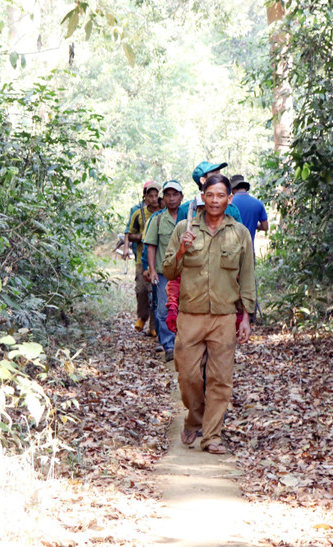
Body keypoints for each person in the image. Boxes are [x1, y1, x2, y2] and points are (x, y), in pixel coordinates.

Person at [162, 173, 255, 455]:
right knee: (188, 376)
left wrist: (247, 317)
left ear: (229, 199)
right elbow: (168, 271)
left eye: (220, 196)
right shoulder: (183, 228)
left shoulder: (239, 233)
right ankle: (195, 418)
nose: (215, 200)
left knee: (220, 379)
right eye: (210, 195)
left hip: (224, 317)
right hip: (190, 315)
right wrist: (181, 250)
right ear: (202, 197)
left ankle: (212, 436)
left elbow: (248, 276)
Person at [143, 180, 183, 362]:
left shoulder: (190, 218)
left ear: (182, 197)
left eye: (175, 194)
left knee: (185, 308)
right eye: (168, 195)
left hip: (187, 272)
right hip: (164, 272)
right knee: (163, 309)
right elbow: (151, 246)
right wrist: (151, 270)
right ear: (163, 199)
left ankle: (184, 343)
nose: (172, 198)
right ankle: (169, 345)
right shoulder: (157, 219)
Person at [127, 180, 161, 335]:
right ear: (145, 197)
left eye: (156, 196)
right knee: (141, 289)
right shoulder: (137, 213)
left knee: (158, 292)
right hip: (142, 257)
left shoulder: (165, 211)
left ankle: (154, 326)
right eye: (150, 196)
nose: (154, 199)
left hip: (160, 258)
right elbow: (129, 233)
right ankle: (142, 316)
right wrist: (139, 237)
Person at [177, 161, 243, 224]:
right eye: (215, 176)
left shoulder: (231, 209)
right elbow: (179, 233)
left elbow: (240, 233)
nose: (219, 179)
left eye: (219, 175)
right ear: (203, 180)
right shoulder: (185, 209)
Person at [229, 175, 268, 243]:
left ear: (232, 188)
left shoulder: (228, 203)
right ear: (246, 187)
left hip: (231, 250)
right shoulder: (258, 203)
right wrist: (253, 224)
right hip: (249, 249)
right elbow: (265, 227)